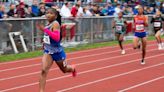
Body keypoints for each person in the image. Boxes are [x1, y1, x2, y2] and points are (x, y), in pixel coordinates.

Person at [37, 8, 77, 92]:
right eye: (47, 13)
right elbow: (48, 37)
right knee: (44, 70)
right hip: (48, 52)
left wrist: (44, 30)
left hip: (58, 53)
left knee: (64, 70)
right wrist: (44, 43)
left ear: (55, 16)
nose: (48, 14)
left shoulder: (55, 24)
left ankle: (72, 68)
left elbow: (56, 38)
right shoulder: (48, 24)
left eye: (51, 13)